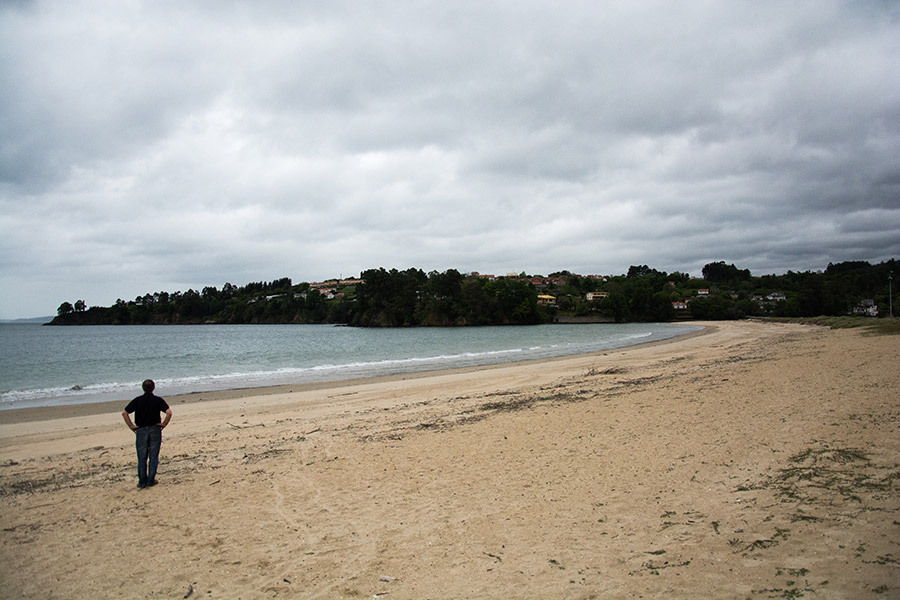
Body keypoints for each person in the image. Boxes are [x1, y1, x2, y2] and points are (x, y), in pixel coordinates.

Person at [121, 379, 172, 489]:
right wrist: (163, 424)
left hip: (141, 429)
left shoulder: (138, 400)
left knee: (142, 456)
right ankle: (151, 479)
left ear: (143, 388)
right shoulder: (157, 400)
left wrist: (131, 426)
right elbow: (169, 413)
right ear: (153, 388)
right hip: (154, 429)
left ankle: (142, 481)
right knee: (153, 456)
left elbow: (124, 413)